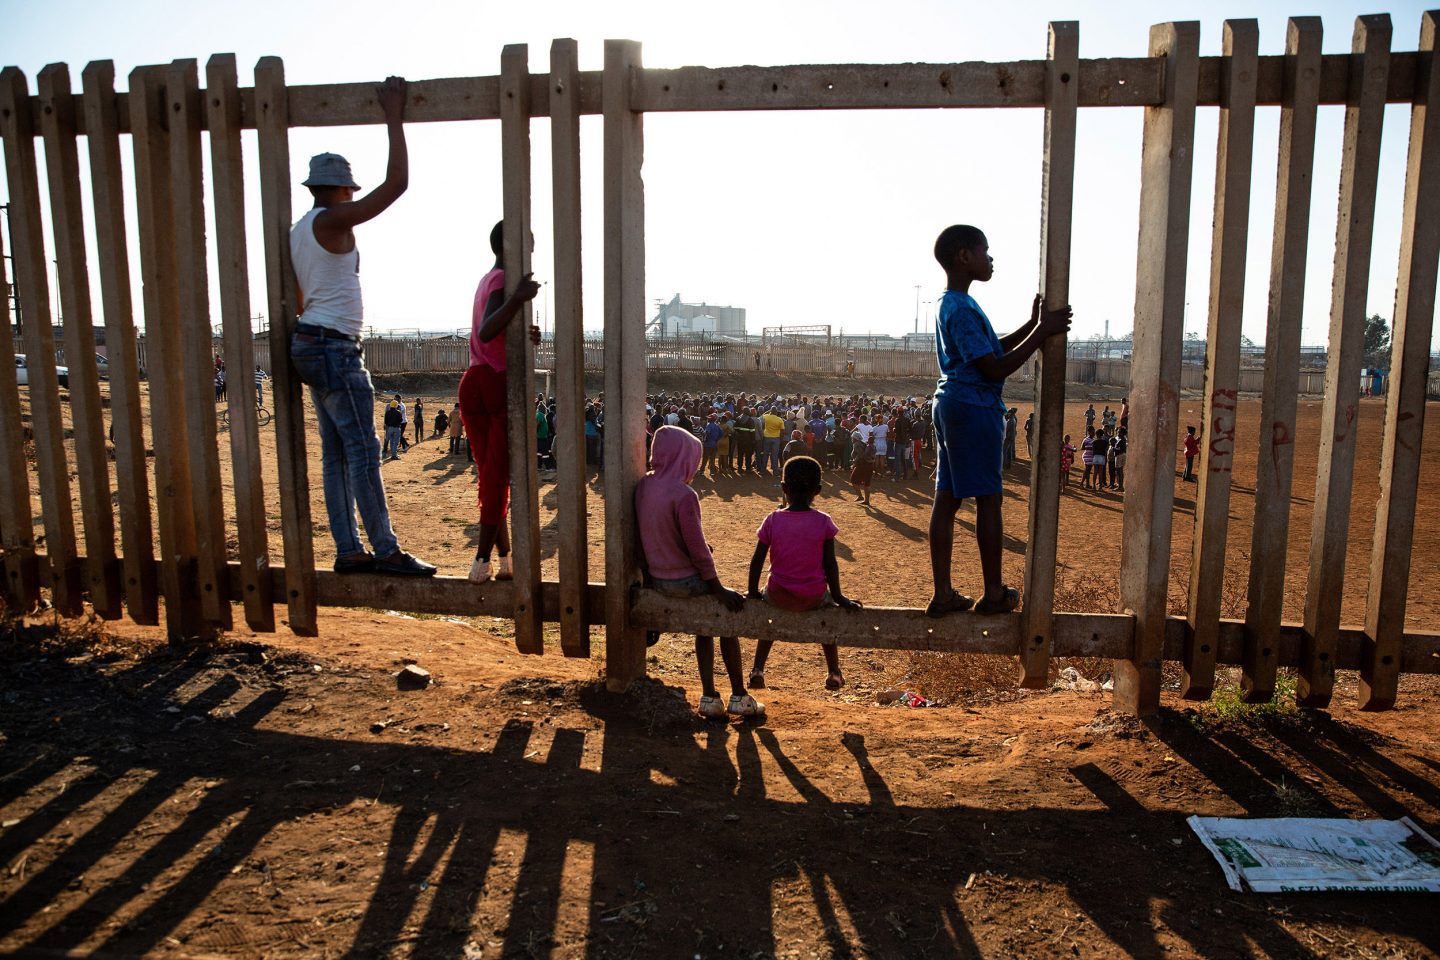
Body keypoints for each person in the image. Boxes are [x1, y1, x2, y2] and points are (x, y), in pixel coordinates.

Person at [287, 78, 435, 576]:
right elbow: (396, 187)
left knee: (336, 454)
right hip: (333, 347)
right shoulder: (331, 222)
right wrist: (394, 115)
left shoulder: (301, 230)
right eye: (350, 190)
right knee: (364, 451)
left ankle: (350, 549)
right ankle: (386, 549)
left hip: (313, 342)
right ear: (342, 190)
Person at [926, 224, 1070, 617]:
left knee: (948, 497)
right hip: (974, 406)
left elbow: (992, 348)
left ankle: (943, 593)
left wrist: (1032, 326)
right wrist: (1043, 333)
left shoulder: (953, 304)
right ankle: (992, 594)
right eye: (985, 251)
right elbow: (993, 367)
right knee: (988, 499)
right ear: (964, 257)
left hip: (951, 402)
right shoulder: (960, 306)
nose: (991, 259)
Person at [636, 425, 762, 719]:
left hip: (657, 578)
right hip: (686, 581)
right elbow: (697, 550)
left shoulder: (645, 485)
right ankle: (739, 696)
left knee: (704, 629)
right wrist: (718, 588)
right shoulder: (685, 494)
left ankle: (709, 696)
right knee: (726, 620)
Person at [461, 220, 541, 583]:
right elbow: (487, 329)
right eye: (529, 246)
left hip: (475, 378)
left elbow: (493, 332)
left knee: (491, 476)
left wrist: (525, 335)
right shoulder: (503, 282)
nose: (532, 253)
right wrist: (517, 298)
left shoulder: (484, 280)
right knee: (497, 478)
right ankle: (481, 562)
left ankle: (505, 558)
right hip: (496, 383)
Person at [746, 456, 862, 691]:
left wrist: (752, 592)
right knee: (827, 618)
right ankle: (834, 672)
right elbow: (830, 564)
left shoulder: (773, 519)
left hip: (778, 593)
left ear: (783, 488)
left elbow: (757, 559)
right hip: (813, 595)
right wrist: (838, 597)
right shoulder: (823, 521)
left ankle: (758, 669)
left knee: (769, 619)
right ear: (818, 491)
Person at [850, 432, 876, 505]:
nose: (851, 439)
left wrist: (854, 461)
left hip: (862, 465)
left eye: (852, 437)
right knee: (867, 483)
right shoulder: (862, 443)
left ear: (855, 438)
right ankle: (866, 500)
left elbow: (860, 455)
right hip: (869, 464)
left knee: (853, 479)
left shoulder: (856, 444)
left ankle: (861, 496)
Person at [760, 405, 785, 475]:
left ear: (771, 411)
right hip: (776, 438)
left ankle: (762, 471)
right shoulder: (780, 420)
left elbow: (761, 416)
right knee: (775, 455)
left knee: (765, 454)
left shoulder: (766, 417)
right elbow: (782, 431)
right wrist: (781, 439)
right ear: (776, 412)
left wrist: (769, 411)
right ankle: (775, 472)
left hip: (767, 437)